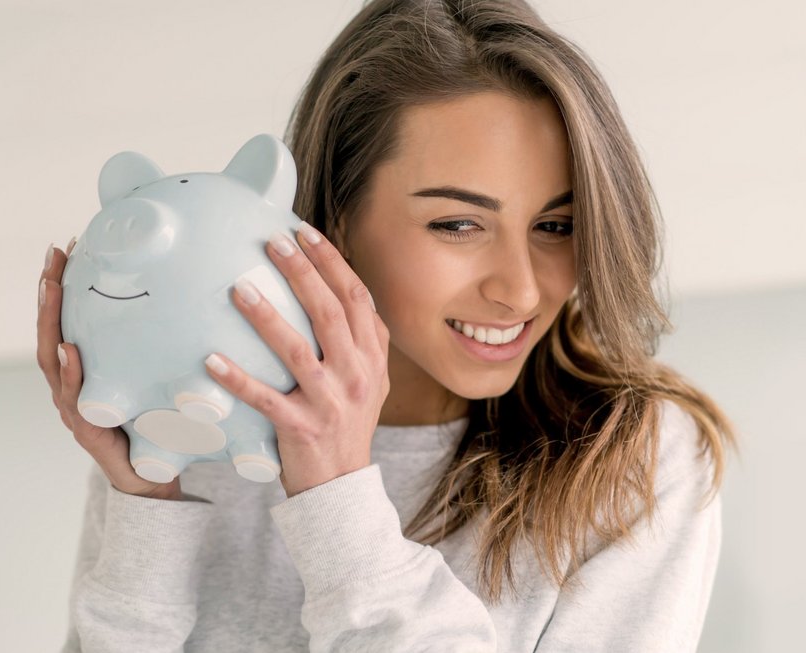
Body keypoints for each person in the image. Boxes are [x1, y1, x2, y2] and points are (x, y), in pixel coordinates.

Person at [37, 0, 737, 650]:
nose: (522, 287)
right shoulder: (195, 422)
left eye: (556, 224)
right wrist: (148, 504)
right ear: (336, 218)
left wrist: (337, 502)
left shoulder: (635, 463)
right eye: (459, 224)